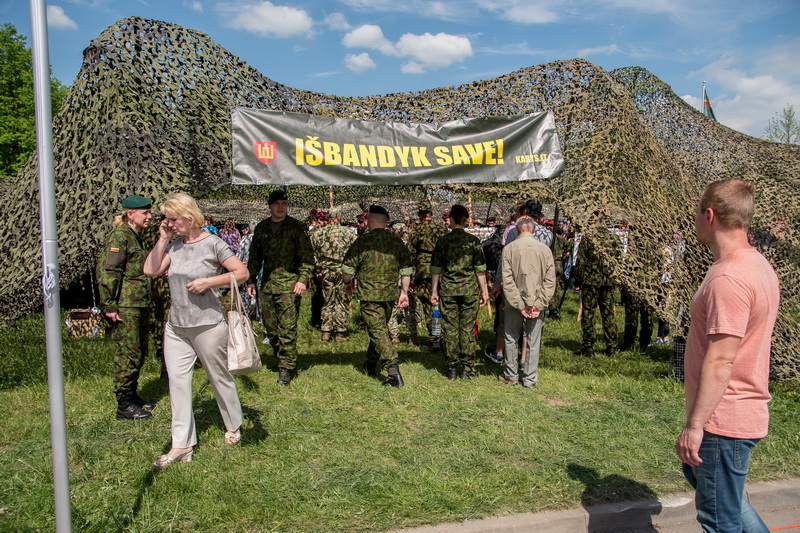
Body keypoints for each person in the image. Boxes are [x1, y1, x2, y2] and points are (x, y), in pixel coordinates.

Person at [676, 179, 779, 532]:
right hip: (733, 411)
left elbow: (722, 359)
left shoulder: (729, 278)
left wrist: (695, 426)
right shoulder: (755, 264)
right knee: (723, 501)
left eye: (696, 212)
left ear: (709, 215)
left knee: (719, 519)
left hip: (724, 417)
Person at [143, 193, 248, 467]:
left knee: (218, 377)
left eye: (172, 219)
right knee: (177, 384)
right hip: (176, 326)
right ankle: (182, 445)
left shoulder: (213, 243)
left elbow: (241, 273)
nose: (168, 223)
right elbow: (150, 270)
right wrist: (163, 239)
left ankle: (233, 423)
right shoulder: (174, 246)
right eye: (166, 218)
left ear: (188, 217)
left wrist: (209, 282)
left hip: (207, 325)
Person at [246, 190, 314, 385]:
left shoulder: (295, 227)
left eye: (284, 203)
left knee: (287, 328)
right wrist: (250, 280)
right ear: (270, 206)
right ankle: (280, 354)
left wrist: (302, 280)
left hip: (289, 286)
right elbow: (255, 256)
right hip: (267, 285)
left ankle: (286, 367)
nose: (281, 207)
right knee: (271, 329)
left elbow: (307, 257)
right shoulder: (262, 228)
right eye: (277, 203)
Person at [97, 194, 155, 420]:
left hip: (138, 303)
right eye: (145, 213)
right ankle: (123, 404)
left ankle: (132, 395)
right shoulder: (120, 236)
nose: (149, 217)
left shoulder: (136, 236)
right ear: (130, 214)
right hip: (126, 305)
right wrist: (109, 304)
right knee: (128, 353)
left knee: (139, 351)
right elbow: (109, 271)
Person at [342, 205, 413, 387]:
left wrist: (347, 283)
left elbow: (347, 269)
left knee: (378, 332)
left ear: (370, 220)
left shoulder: (362, 242)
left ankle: (393, 370)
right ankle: (370, 363)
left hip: (370, 295)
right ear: (385, 221)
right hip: (390, 295)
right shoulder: (396, 242)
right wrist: (404, 292)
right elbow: (406, 270)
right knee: (379, 330)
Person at [430, 204, 488, 379]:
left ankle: (452, 367)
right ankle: (467, 367)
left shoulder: (443, 241)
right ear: (465, 220)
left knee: (450, 327)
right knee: (467, 328)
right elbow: (480, 269)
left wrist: (434, 291)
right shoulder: (473, 241)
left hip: (448, 290)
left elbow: (436, 269)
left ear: (452, 219)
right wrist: (484, 291)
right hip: (469, 290)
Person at [497, 216, 556, 388]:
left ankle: (511, 375)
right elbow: (550, 281)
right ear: (533, 230)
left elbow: (507, 280)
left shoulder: (509, 249)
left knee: (511, 337)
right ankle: (530, 379)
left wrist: (519, 304)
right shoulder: (545, 250)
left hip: (514, 302)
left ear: (517, 230)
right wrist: (538, 304)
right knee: (533, 341)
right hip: (536, 301)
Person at [407, 198, 448, 351]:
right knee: (441, 304)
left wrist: (410, 277)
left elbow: (409, 253)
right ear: (432, 213)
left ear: (419, 215)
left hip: (424, 272)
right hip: (442, 270)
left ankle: (435, 339)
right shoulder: (441, 229)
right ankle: (445, 336)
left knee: (430, 306)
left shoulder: (416, 231)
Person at [310, 213, 357, 342]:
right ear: (339, 218)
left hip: (326, 271)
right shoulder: (348, 233)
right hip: (343, 271)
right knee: (341, 301)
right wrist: (352, 269)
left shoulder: (318, 233)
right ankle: (340, 332)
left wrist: (318, 268)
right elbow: (356, 251)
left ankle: (326, 331)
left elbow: (311, 252)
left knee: (328, 300)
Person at [573, 226, 619, 358]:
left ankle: (588, 347)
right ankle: (611, 346)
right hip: (607, 281)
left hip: (590, 281)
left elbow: (581, 261)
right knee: (608, 313)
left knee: (589, 313)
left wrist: (578, 280)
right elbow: (619, 260)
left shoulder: (588, 238)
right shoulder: (613, 238)